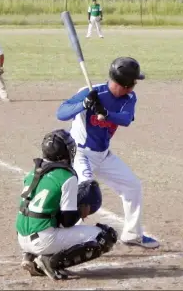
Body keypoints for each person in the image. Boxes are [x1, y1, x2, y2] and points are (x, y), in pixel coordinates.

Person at [55, 57, 160, 249]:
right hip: (81, 154)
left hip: (103, 155)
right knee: (84, 192)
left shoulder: (129, 98)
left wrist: (107, 114)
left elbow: (126, 119)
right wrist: (84, 104)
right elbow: (61, 113)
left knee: (132, 186)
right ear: (126, 84)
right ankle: (67, 240)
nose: (135, 85)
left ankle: (132, 235)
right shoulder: (90, 92)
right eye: (134, 81)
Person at [16, 129, 118, 281]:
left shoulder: (33, 172)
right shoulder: (66, 176)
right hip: (43, 240)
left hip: (22, 238)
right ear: (63, 152)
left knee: (41, 217)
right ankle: (50, 262)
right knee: (106, 236)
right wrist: (81, 211)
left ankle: (30, 256)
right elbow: (67, 221)